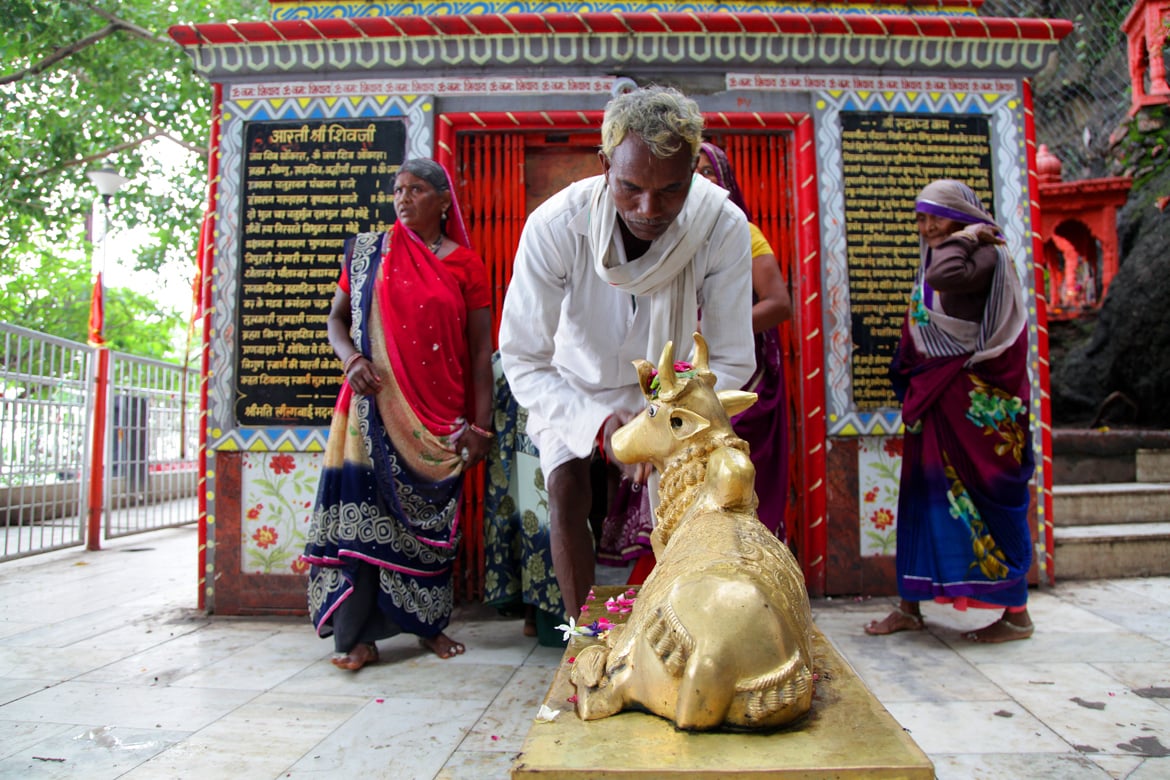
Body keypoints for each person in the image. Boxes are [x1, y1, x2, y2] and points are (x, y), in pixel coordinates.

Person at [498, 85, 756, 620]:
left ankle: (680, 627)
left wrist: (663, 421)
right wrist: (599, 427)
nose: (649, 209)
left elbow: (732, 357)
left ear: (695, 171)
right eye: (631, 187)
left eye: (671, 190)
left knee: (689, 504)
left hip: (673, 394)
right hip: (573, 386)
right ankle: (584, 638)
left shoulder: (721, 225)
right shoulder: (553, 225)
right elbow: (523, 355)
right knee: (567, 489)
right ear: (604, 164)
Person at [301, 158, 494, 669]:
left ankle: (428, 628)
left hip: (437, 416)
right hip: (371, 406)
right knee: (362, 517)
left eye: (415, 190)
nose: (403, 199)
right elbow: (335, 321)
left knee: (428, 524)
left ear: (442, 200)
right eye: (397, 190)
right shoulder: (368, 253)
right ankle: (357, 637)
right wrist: (352, 358)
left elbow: (479, 352)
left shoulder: (464, 265)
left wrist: (481, 426)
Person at [865, 179, 1035, 643]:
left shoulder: (983, 255)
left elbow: (945, 277)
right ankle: (910, 605)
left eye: (934, 216)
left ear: (962, 215)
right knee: (921, 500)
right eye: (920, 219)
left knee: (988, 502)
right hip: (939, 402)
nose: (925, 228)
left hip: (975, 408)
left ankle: (1016, 615)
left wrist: (966, 235)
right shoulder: (956, 251)